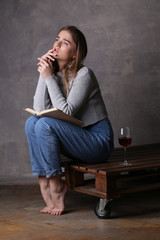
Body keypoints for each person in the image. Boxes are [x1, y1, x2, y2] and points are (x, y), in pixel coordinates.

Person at [25, 26, 114, 216]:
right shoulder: (54, 74)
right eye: (57, 39)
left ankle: (57, 183)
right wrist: (45, 74)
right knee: (32, 122)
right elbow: (39, 110)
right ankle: (44, 179)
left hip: (97, 141)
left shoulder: (84, 74)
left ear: (75, 54)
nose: (57, 44)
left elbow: (67, 113)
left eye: (65, 43)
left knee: (44, 124)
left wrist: (48, 77)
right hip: (76, 139)